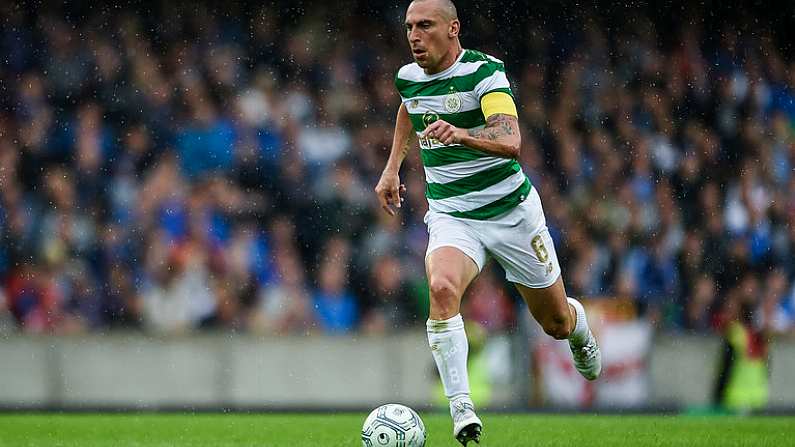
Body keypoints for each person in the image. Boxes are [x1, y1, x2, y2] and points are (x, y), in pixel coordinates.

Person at [374, 0, 602, 444]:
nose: (414, 36)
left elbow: (510, 137)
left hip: (510, 213)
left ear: (453, 28)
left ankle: (578, 326)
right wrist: (392, 167)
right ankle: (462, 410)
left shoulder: (485, 74)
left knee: (553, 322)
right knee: (441, 289)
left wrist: (461, 134)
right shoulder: (408, 77)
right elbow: (409, 106)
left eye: (425, 26)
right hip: (452, 214)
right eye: (408, 28)